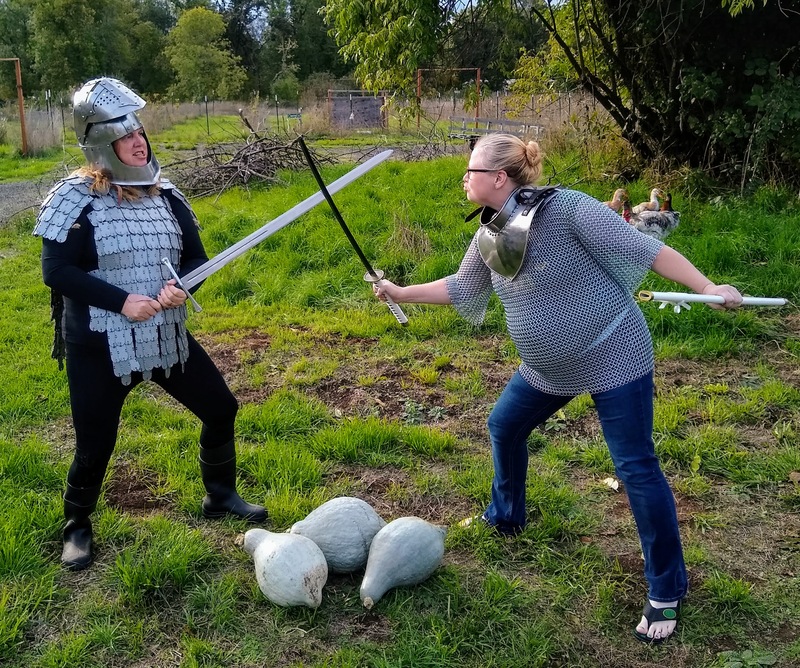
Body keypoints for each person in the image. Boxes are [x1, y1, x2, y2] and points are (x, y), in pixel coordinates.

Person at [373, 133, 743, 643]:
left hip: (613, 353)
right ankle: (507, 516)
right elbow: (462, 287)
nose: (465, 177)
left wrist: (707, 287)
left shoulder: (565, 208)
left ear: (498, 178)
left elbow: (646, 248)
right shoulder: (492, 228)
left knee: (635, 467)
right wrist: (399, 292)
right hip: (548, 368)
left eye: (472, 170)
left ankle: (666, 587)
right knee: (504, 425)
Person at [34, 77, 266, 572]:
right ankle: (77, 525)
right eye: (126, 136)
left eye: (139, 132)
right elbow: (57, 271)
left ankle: (220, 495)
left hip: (166, 337)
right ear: (102, 144)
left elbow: (196, 261)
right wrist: (122, 302)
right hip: (97, 343)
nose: (139, 141)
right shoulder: (75, 198)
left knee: (221, 407)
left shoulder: (167, 196)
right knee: (96, 442)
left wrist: (182, 288)